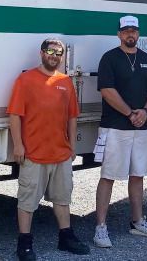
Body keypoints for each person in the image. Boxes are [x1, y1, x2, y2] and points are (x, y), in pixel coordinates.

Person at [7, 38, 89, 261]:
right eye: (50, 51)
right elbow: (15, 115)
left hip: (61, 154)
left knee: (63, 198)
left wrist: (72, 146)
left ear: (62, 57)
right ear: (41, 53)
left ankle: (66, 237)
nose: (54, 56)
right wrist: (18, 145)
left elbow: (72, 117)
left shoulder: (65, 82)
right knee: (27, 201)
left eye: (58, 52)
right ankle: (24, 244)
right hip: (34, 153)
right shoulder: (26, 80)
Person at [93, 15, 147, 247]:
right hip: (115, 127)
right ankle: (100, 227)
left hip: (140, 127)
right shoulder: (110, 58)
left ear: (138, 33)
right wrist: (130, 113)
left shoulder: (145, 58)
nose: (130, 34)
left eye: (133, 31)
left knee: (137, 174)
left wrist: (145, 111)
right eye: (126, 31)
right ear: (119, 34)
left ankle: (137, 222)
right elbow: (107, 90)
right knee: (108, 176)